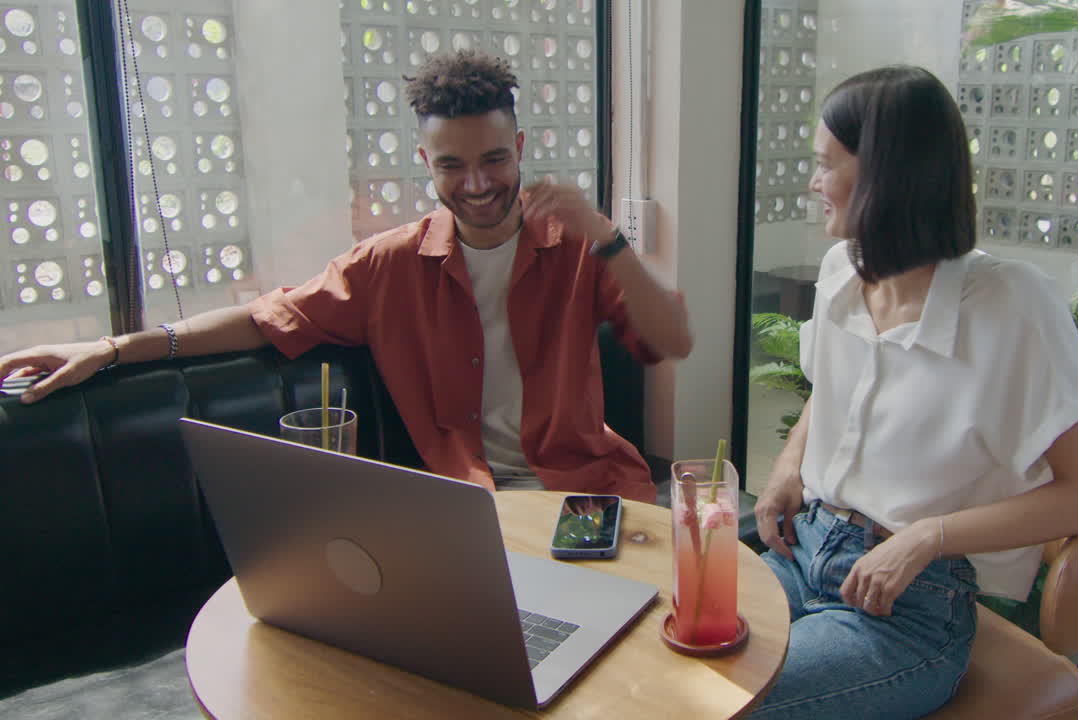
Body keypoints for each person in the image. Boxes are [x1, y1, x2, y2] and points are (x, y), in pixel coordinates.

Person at [0, 50, 691, 503]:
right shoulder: (390, 265)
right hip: (475, 512)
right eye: (452, 165)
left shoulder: (577, 248)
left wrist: (608, 236)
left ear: (519, 148)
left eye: (493, 160)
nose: (477, 185)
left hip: (593, 495)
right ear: (426, 161)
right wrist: (114, 349)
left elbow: (675, 340)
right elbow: (266, 317)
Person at [751, 66, 1078, 719]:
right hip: (802, 548)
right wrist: (788, 468)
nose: (813, 183)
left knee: (733, 701)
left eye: (824, 165)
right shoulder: (845, 268)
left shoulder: (1012, 306)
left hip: (908, 608)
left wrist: (926, 536)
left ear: (887, 178)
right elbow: (834, 386)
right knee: (666, 647)